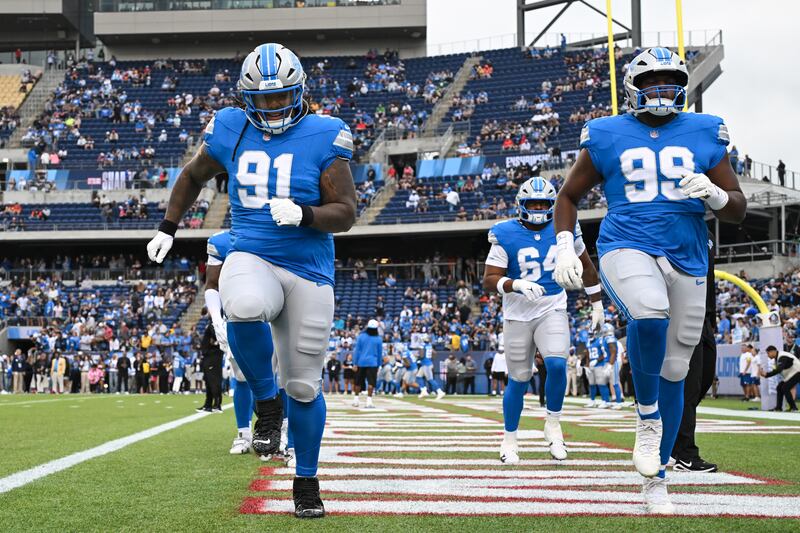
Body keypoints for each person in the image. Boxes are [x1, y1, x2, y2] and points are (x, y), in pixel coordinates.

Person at [147, 42, 356, 519]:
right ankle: (266, 402)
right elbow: (192, 174)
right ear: (245, 98)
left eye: (282, 97)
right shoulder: (229, 126)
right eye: (263, 100)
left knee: (304, 386)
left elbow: (346, 212)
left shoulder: (326, 134)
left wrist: (305, 213)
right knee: (240, 305)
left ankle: (306, 481)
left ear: (300, 92)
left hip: (308, 268)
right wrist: (168, 226)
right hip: (251, 252)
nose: (273, 107)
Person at [553, 47, 747, 513]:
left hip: (689, 249)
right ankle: (646, 417)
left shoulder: (705, 129)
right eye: (651, 81)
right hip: (626, 242)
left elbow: (738, 207)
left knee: (678, 368)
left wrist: (718, 194)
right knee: (648, 314)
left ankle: (656, 480)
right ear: (633, 88)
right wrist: (564, 244)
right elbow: (568, 196)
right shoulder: (605, 132)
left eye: (669, 80)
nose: (661, 89)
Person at [483, 176, 604, 464]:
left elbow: (586, 267)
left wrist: (597, 304)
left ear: (553, 205)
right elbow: (489, 279)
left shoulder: (565, 230)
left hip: (552, 308)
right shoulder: (505, 232)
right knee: (519, 379)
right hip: (517, 314)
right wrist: (515, 284)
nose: (538, 208)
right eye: (532, 203)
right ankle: (510, 439)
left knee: (557, 363)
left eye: (543, 203)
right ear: (520, 205)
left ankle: (553, 423)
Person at [672, 234, 719, 472]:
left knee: (704, 379)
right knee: (689, 387)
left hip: (705, 316)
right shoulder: (671, 228)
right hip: (682, 312)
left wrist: (713, 316)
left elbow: (710, 279)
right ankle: (686, 453)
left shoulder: (708, 235)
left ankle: (671, 434)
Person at [205, 229, 255, 455]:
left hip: (274, 314)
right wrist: (216, 319)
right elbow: (212, 284)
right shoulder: (220, 241)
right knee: (241, 377)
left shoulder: (275, 231)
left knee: (281, 377)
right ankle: (244, 433)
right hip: (236, 315)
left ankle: (281, 430)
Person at [352, 319, 382, 409]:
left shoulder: (361, 337)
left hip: (361, 362)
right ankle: (369, 401)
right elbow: (380, 353)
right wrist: (379, 365)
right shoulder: (378, 339)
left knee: (358, 382)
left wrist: (355, 363)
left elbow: (357, 351)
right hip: (373, 363)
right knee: (371, 382)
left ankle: (356, 400)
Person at [760, 346, 800, 412]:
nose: (768, 355)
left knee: (785, 387)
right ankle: (778, 408)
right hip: (791, 374)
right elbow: (778, 369)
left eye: (768, 353)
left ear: (772, 351)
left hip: (797, 372)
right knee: (779, 387)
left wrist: (767, 374)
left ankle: (794, 408)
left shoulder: (782, 356)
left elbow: (779, 370)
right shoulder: (777, 358)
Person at [198, 325, 223, 412]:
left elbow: (219, 335)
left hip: (213, 356)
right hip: (209, 356)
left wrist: (215, 342)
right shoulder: (213, 323)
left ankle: (217, 405)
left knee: (214, 380)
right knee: (208, 381)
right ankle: (208, 404)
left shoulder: (216, 323)